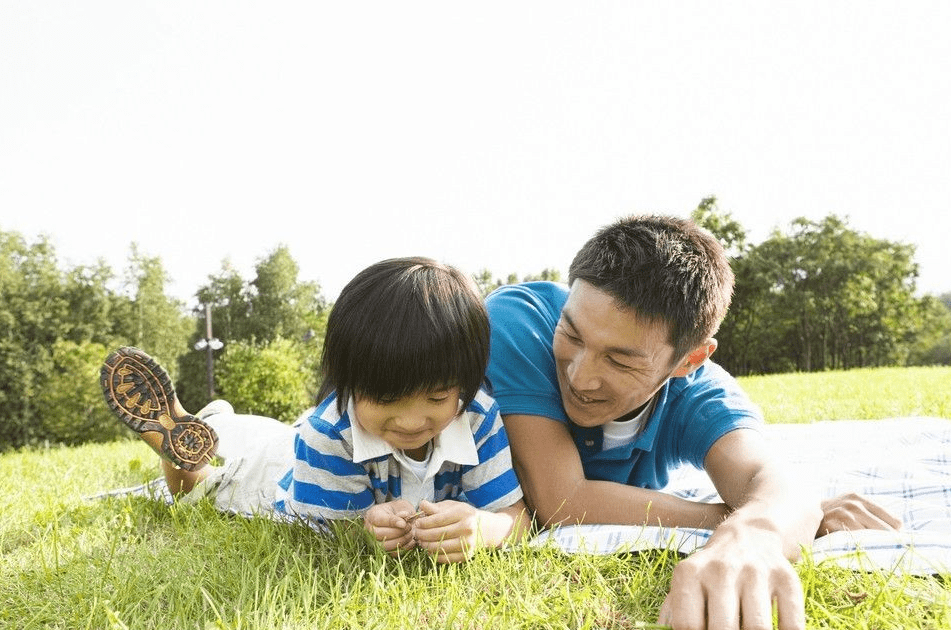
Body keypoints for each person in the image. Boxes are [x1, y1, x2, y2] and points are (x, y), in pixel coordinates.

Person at [484, 215, 900, 629]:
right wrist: (743, 513)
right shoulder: (519, 322)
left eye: (619, 359)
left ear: (690, 359)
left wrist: (755, 532)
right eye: (572, 335)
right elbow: (562, 499)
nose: (580, 376)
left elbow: (772, 477)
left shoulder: (703, 395)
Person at [101, 257, 530, 564]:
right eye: (385, 401)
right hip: (282, 479)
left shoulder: (478, 416)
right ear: (347, 382)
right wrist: (364, 528)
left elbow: (515, 515)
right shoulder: (330, 432)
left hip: (299, 442)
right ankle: (184, 441)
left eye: (436, 400)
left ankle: (218, 420)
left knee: (268, 434)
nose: (411, 421)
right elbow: (326, 538)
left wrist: (485, 530)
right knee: (212, 487)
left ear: (468, 380)